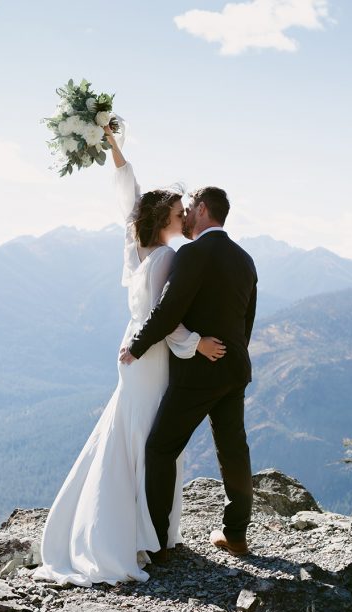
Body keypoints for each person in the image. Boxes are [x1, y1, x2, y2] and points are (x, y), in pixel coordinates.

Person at [32, 127, 226, 586]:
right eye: (180, 213)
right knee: (153, 442)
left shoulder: (137, 244)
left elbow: (129, 196)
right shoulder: (168, 258)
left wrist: (114, 147)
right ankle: (147, 533)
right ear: (166, 218)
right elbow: (166, 317)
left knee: (131, 435)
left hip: (131, 351)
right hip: (153, 354)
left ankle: (139, 529)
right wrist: (196, 342)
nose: (185, 218)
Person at [119, 175, 257, 560]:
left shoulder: (193, 254)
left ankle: (159, 543)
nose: (185, 218)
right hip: (233, 370)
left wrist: (137, 346)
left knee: (161, 448)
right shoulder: (245, 260)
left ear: (201, 210)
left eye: (189, 208)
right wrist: (230, 354)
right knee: (233, 451)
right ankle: (236, 535)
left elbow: (168, 310)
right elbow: (246, 321)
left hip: (197, 374)